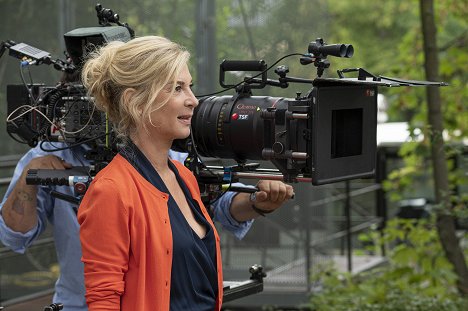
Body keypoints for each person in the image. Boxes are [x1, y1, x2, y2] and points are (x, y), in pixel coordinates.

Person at [0, 39, 293, 310]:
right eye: (177, 88)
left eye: (190, 87)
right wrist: (30, 178)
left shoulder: (182, 173)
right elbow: (102, 299)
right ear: (135, 102)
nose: (194, 100)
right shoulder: (110, 189)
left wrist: (257, 201)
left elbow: (222, 208)